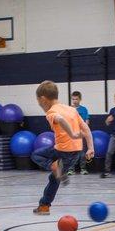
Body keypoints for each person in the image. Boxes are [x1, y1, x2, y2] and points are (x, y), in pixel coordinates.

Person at [31, 81, 94, 215]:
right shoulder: (72, 109)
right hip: (75, 152)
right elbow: (86, 128)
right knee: (54, 179)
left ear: (43, 99)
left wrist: (71, 133)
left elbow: (59, 119)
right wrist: (90, 148)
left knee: (36, 155)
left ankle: (55, 166)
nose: (40, 105)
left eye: (39, 102)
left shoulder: (51, 112)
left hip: (62, 151)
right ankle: (44, 206)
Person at [68, 91, 90, 175]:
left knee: (82, 152)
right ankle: (71, 169)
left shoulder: (83, 109)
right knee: (71, 152)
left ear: (80, 99)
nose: (74, 101)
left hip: (81, 134)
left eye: (76, 99)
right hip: (72, 134)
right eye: (73, 99)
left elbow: (86, 121)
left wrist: (84, 131)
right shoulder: (69, 109)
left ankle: (83, 168)